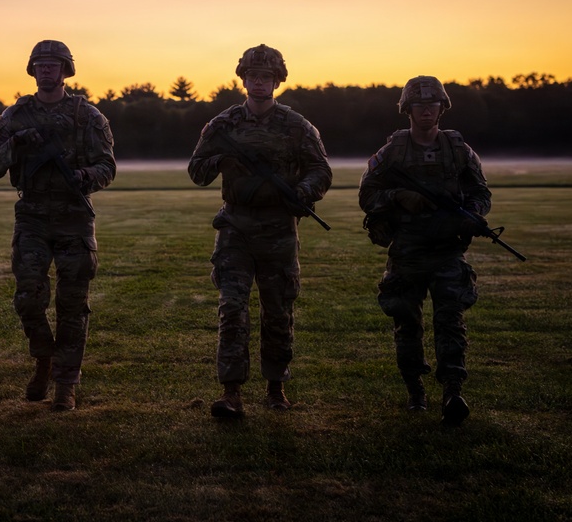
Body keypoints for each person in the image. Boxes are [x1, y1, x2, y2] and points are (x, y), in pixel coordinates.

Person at [189, 44, 332, 419]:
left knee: (278, 310)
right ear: (243, 78)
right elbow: (197, 171)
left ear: (277, 81)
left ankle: (275, 386)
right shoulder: (223, 125)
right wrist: (222, 159)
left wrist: (302, 192)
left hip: (278, 229)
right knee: (232, 308)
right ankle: (231, 392)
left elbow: (321, 169)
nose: (258, 82)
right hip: (236, 226)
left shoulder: (297, 126)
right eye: (252, 75)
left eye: (266, 76)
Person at [0, 40, 116, 411]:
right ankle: (44, 359)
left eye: (52, 64)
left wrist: (84, 175)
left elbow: (108, 166)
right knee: (28, 298)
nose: (46, 70)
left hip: (74, 215)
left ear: (65, 70)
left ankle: (65, 383)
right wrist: (17, 142)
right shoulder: (14, 115)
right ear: (32, 69)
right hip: (33, 215)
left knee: (73, 305)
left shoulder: (87, 116)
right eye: (40, 64)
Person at [358, 76, 491, 427]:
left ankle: (452, 389)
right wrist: (399, 196)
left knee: (451, 322)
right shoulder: (393, 152)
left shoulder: (458, 149)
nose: (427, 111)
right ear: (407, 110)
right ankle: (415, 389)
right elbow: (367, 195)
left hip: (448, 250)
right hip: (407, 252)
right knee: (407, 323)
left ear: (442, 108)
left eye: (433, 105)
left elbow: (481, 192)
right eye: (420, 105)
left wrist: (474, 215)